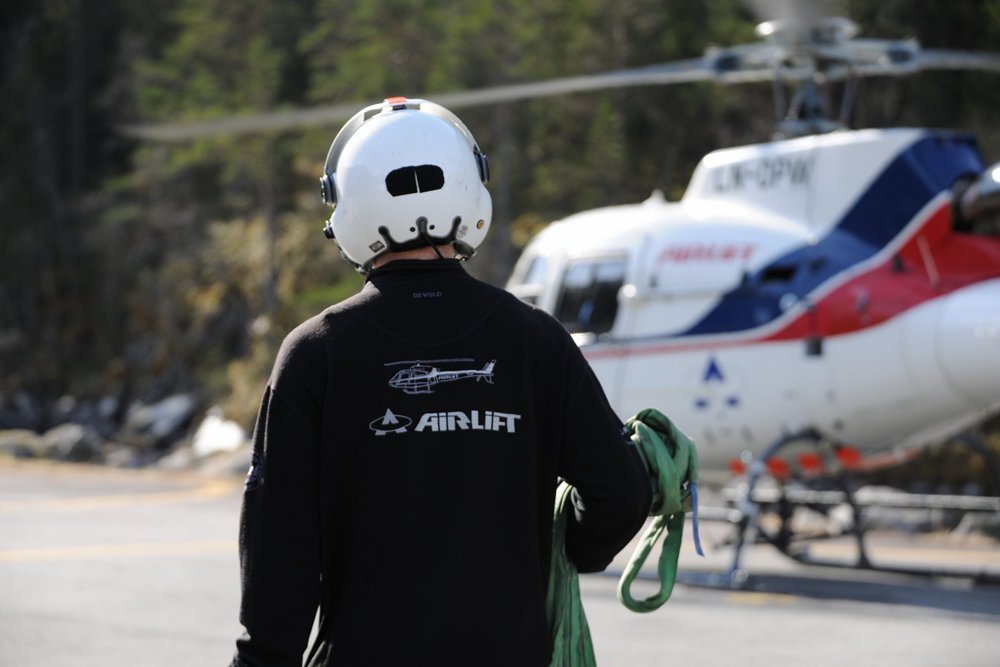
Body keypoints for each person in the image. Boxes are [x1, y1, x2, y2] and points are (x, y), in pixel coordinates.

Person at [230, 97, 652, 667]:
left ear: (348, 204)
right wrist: (567, 547)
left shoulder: (316, 353)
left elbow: (281, 546)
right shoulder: (536, 341)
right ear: (468, 191)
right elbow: (621, 492)